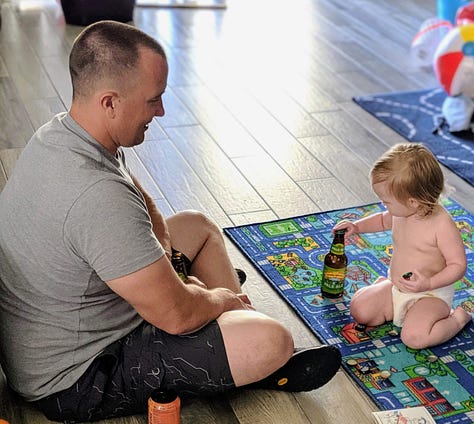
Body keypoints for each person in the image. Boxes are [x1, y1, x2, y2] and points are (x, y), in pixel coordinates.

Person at [0, 21, 341, 422]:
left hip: (65, 319)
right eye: (153, 100)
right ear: (110, 102)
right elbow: (176, 317)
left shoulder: (65, 132)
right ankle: (250, 355)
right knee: (272, 339)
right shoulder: (95, 195)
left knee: (197, 226)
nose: (161, 111)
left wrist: (162, 243)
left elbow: (132, 188)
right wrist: (216, 300)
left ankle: (230, 340)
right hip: (77, 376)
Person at [333, 143, 470, 350]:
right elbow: (381, 220)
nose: (383, 205)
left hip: (430, 295)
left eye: (386, 202)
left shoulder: (442, 225)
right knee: (360, 310)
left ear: (413, 202)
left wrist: (429, 283)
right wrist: (356, 226)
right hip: (397, 286)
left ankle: (458, 319)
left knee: (415, 338)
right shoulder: (401, 212)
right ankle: (384, 288)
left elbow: (458, 265)